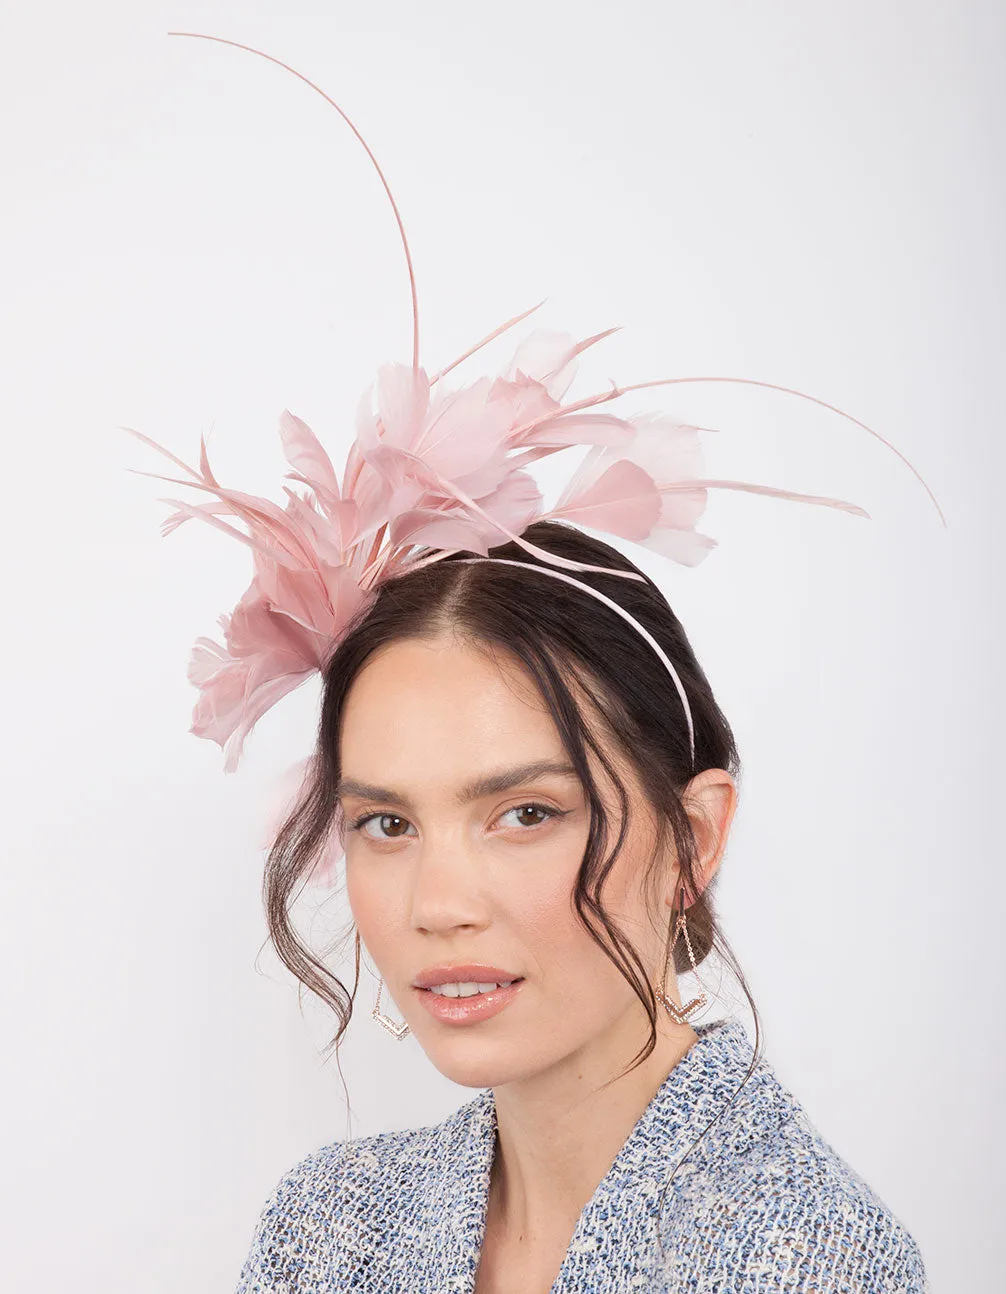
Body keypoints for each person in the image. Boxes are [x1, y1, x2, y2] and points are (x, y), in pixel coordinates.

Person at [131, 32, 938, 1293]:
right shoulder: (328, 1228)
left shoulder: (806, 1259)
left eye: (524, 810)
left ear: (695, 834)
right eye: (386, 821)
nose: (435, 901)